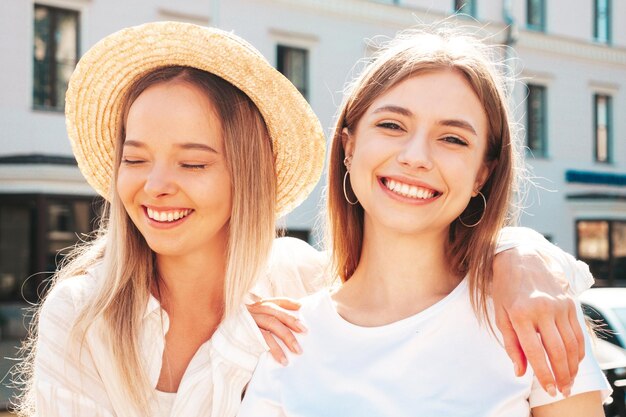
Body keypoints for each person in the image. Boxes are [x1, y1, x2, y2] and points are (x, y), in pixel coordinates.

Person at [14, 21, 600, 417]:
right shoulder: (89, 318)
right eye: (135, 158)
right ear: (348, 145)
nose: (157, 184)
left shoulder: (291, 284)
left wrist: (518, 256)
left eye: (193, 160)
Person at [237, 26, 612, 417]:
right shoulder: (285, 341)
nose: (415, 156)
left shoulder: (531, 318)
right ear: (349, 146)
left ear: (482, 174)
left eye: (452, 139)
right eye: (392, 126)